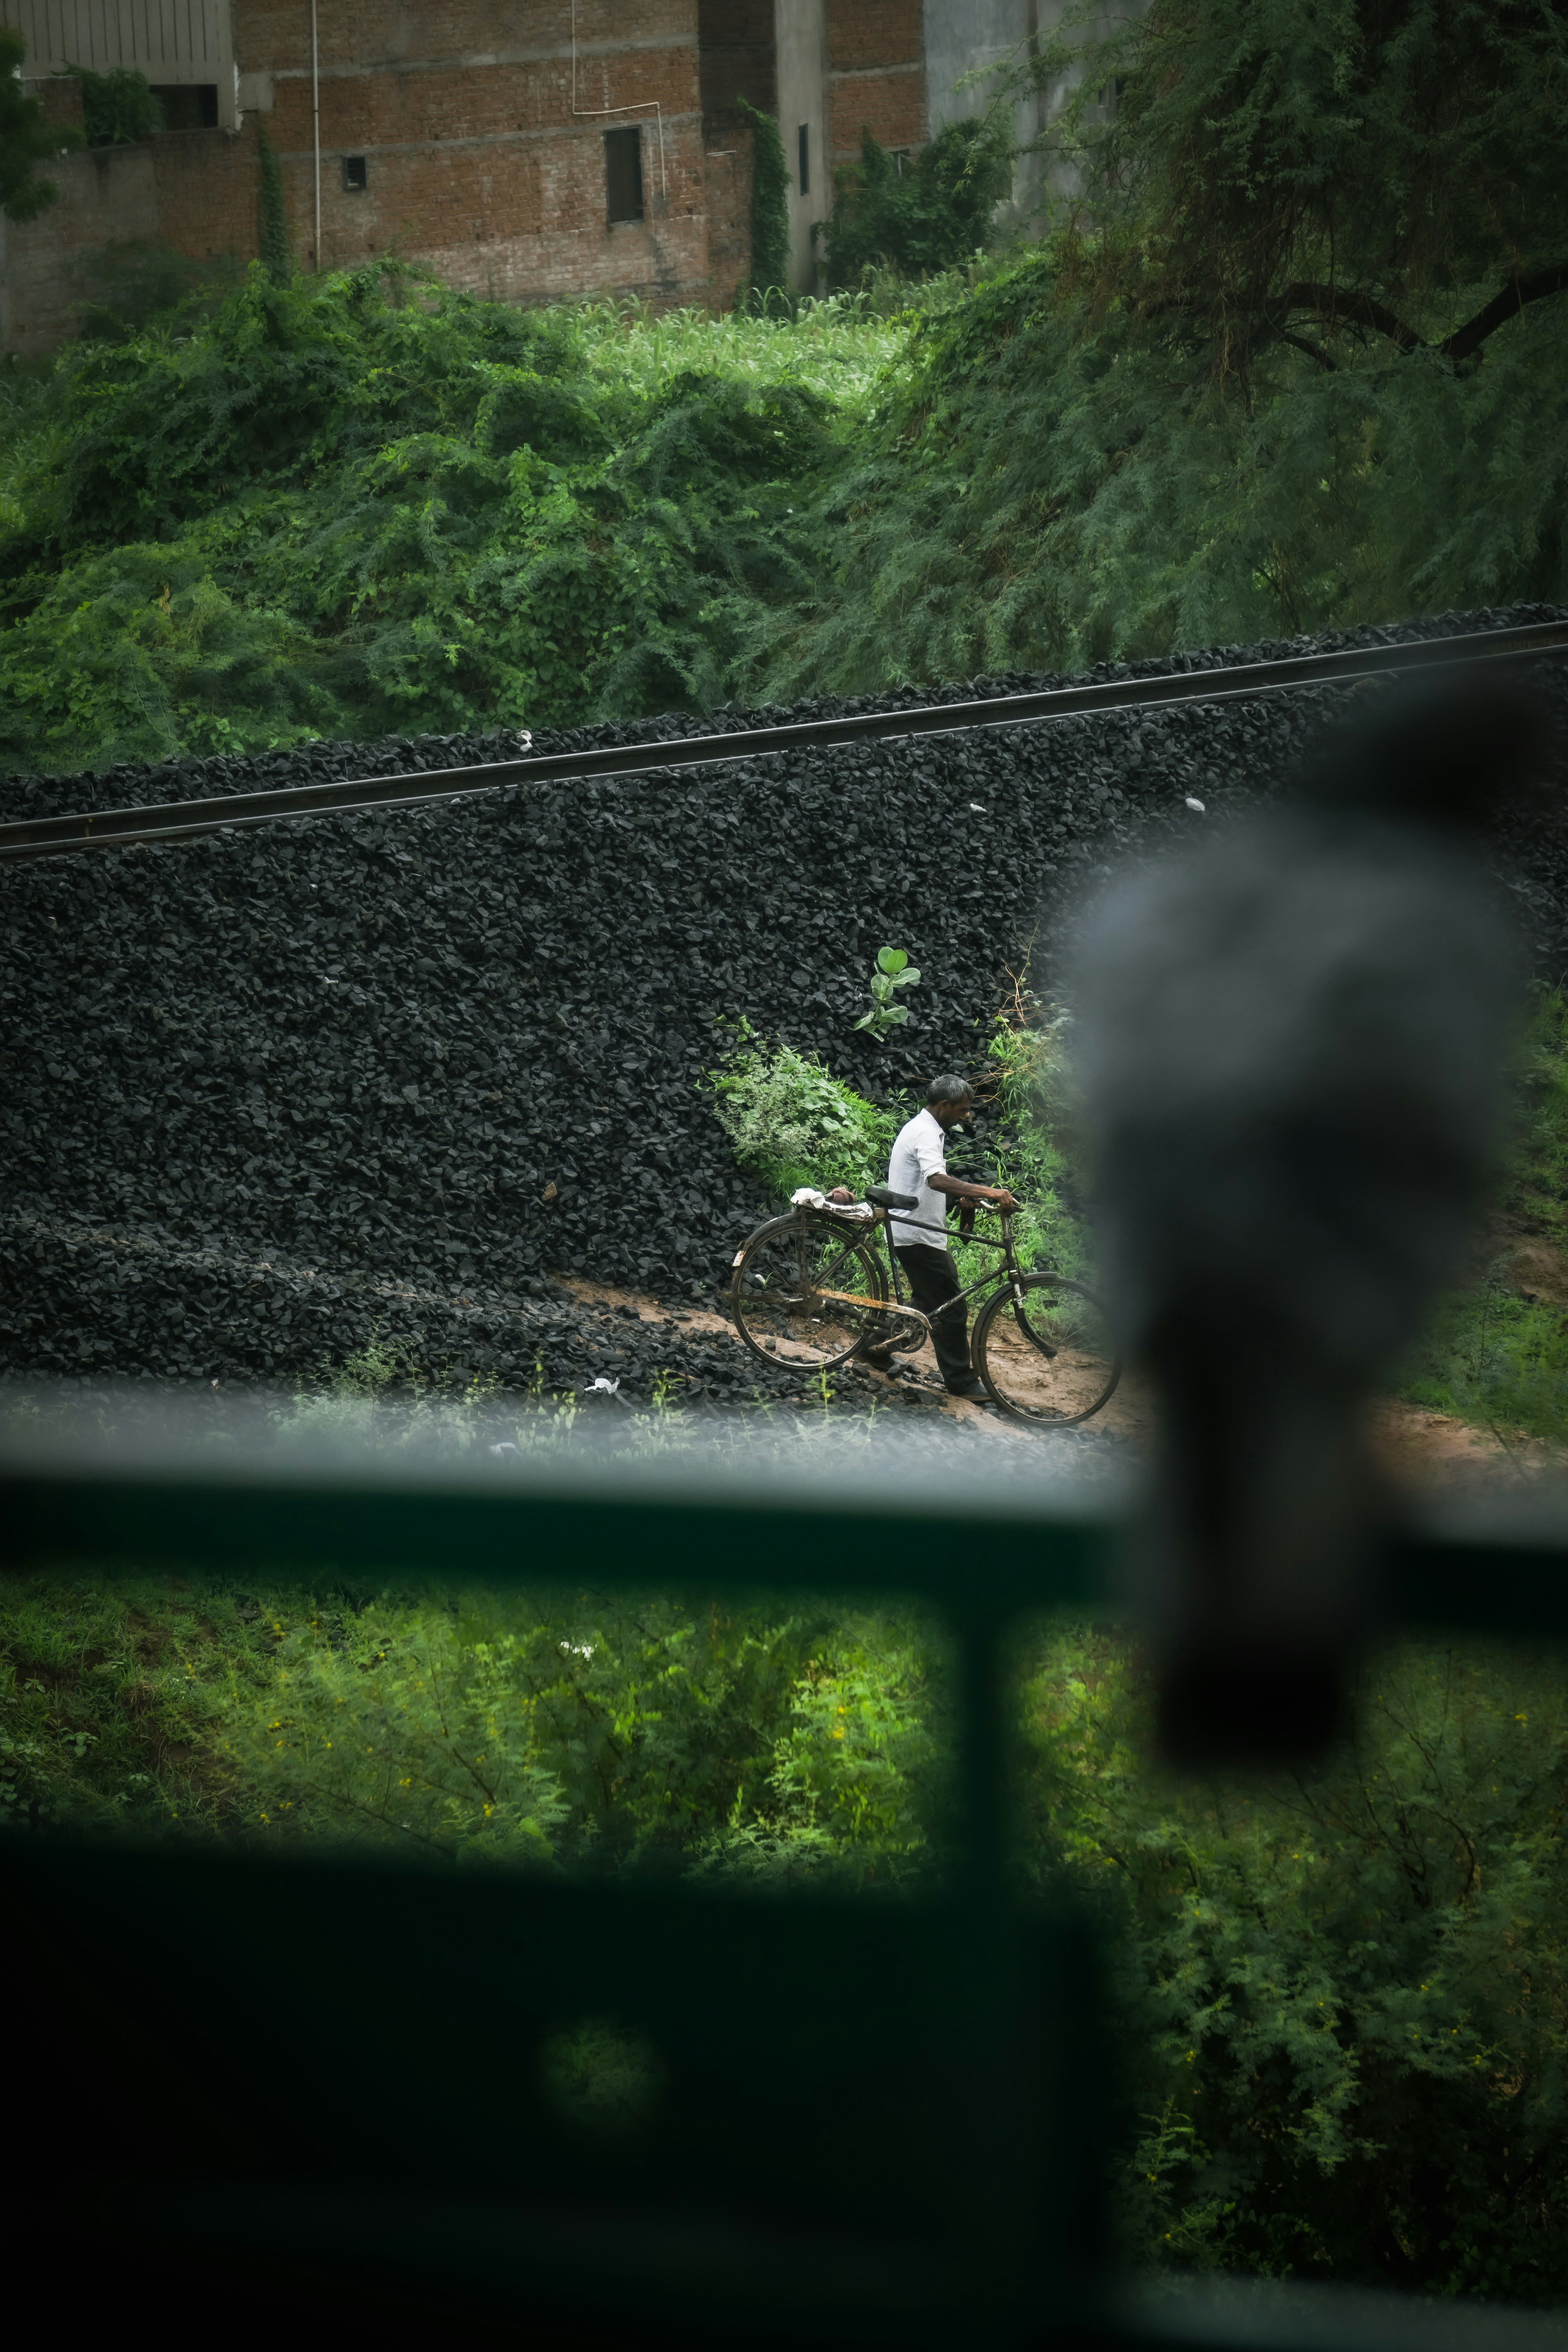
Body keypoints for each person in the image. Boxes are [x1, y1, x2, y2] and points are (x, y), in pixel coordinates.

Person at [837, 1073, 1016, 1398]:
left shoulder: (928, 1129)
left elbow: (932, 1184)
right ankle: (962, 1383)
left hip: (919, 1231)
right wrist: (990, 1192)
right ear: (945, 1105)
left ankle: (873, 1348)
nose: (966, 1116)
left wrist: (966, 1203)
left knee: (928, 1304)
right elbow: (935, 1180)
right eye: (962, 1110)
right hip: (917, 1235)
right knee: (952, 1309)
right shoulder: (925, 1132)